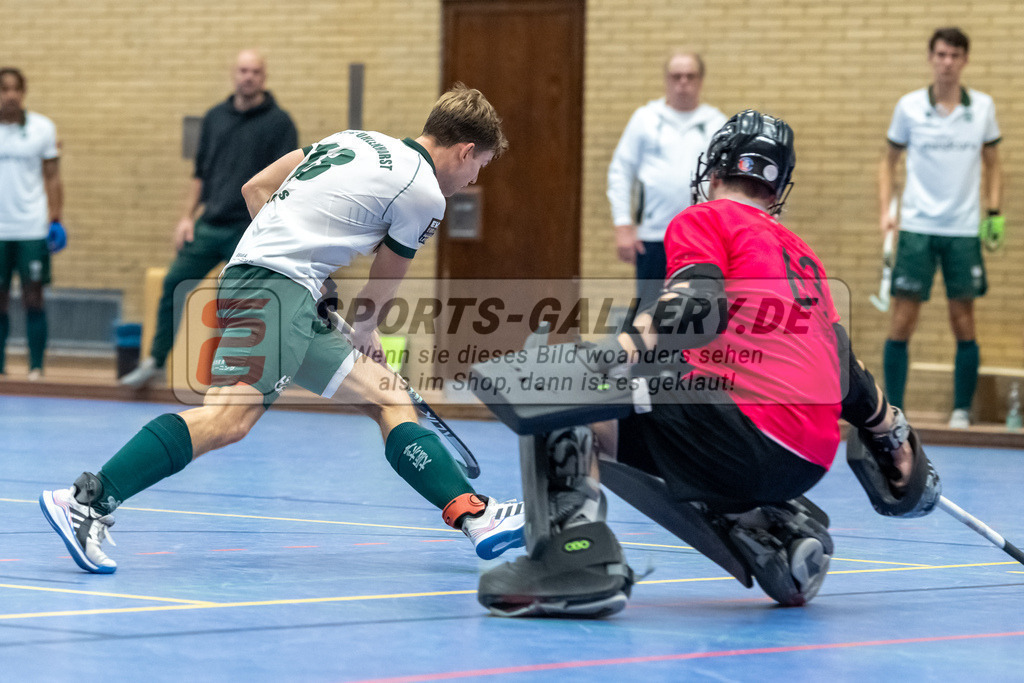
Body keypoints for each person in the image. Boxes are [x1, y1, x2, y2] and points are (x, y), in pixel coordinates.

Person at [40, 83, 525, 574]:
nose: (471, 179)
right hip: (273, 291)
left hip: (267, 283)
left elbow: (255, 188)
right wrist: (362, 328)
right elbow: (386, 279)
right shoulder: (424, 194)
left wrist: (304, 278)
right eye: (478, 166)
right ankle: (88, 499)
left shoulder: (356, 140)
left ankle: (474, 515)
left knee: (387, 396)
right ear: (465, 150)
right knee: (228, 418)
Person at [473, 111, 935, 616]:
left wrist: (613, 353)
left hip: (740, 437)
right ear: (777, 189)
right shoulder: (804, 257)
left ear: (712, 171)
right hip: (806, 461)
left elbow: (695, 303)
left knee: (559, 390)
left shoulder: (704, 218)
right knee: (678, 395)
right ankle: (773, 528)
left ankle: (576, 561)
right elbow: (844, 367)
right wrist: (892, 437)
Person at [120, 49, 298, 388]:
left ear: (264, 76)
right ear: (234, 74)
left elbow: (284, 181)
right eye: (243, 70)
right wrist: (186, 218)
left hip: (248, 228)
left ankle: (246, 374)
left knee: (244, 300)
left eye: (255, 71)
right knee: (174, 282)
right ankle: (155, 361)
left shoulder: (280, 123)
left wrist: (271, 229)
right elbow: (199, 174)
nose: (248, 77)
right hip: (209, 224)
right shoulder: (215, 117)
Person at [879, 27, 1003, 429]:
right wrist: (888, 210)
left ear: (965, 60)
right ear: (931, 58)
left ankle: (961, 411)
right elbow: (888, 162)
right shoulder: (909, 106)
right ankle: (894, 410)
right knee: (902, 320)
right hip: (916, 227)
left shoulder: (982, 107)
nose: (947, 62)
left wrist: (994, 210)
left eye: (955, 55)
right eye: (941, 54)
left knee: (963, 320)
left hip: (964, 230)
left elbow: (993, 162)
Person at [607, 50, 726, 310]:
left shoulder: (717, 123)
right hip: (653, 236)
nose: (683, 82)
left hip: (700, 239)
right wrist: (623, 226)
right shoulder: (645, 119)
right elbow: (621, 171)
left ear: (700, 80)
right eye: (676, 76)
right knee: (650, 313)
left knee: (696, 313)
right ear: (666, 80)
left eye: (690, 76)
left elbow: (727, 184)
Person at [0, 67, 63, 381]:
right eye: (4, 89)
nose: (10, 95)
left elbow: (52, 177)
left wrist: (56, 219)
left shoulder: (42, 128)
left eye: (16, 89)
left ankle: (36, 368)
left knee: (33, 298)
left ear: (23, 93)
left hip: (31, 229)